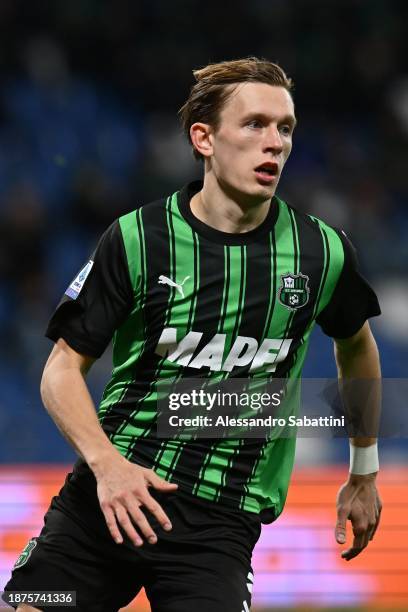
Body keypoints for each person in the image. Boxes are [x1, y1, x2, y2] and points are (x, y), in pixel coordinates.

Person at [4, 57, 382, 612]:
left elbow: (357, 346)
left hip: (217, 529)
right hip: (105, 503)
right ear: (203, 138)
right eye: (254, 124)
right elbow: (61, 370)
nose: (274, 143)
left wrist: (364, 471)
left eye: (285, 128)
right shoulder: (137, 239)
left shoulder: (321, 251)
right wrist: (108, 466)